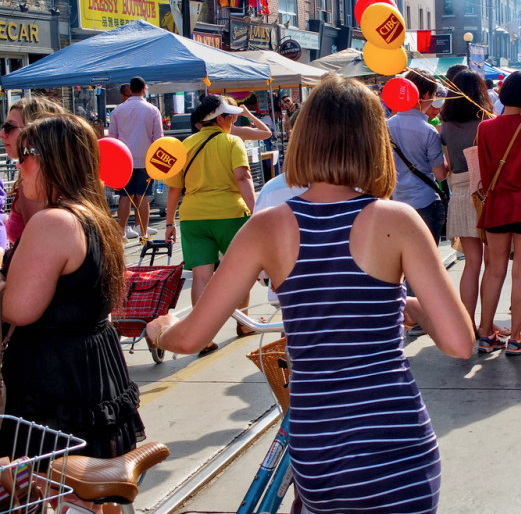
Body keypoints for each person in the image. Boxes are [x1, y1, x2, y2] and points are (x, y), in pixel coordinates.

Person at [146, 74, 473, 514]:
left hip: (320, 448)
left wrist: (161, 327)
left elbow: (189, 337)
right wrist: (408, 306)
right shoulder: (399, 221)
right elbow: (459, 342)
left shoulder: (265, 227)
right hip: (397, 445)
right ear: (374, 142)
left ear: (304, 140)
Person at [0, 115, 144, 462]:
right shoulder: (92, 215)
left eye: (24, 156)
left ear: (49, 159)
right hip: (91, 371)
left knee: (55, 486)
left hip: (55, 380)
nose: (18, 166)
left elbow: (20, 309)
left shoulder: (54, 221)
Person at [165, 94, 256, 353]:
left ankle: (203, 336)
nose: (234, 120)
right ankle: (244, 323)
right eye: (231, 116)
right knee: (243, 270)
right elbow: (242, 176)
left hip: (193, 217)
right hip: (230, 214)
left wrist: (170, 223)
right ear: (220, 119)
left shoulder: (183, 145)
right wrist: (256, 210)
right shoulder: (231, 142)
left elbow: (174, 189)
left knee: (201, 276)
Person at [475, 71, 521, 355]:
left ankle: (485, 334)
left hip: (497, 206)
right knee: (520, 274)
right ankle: (517, 339)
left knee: (494, 271)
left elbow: (483, 170)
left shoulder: (485, 128)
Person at [440, 70, 494, 334]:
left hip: (460, 195)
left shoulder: (445, 127)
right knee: (492, 267)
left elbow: (448, 165)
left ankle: (467, 324)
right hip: (485, 195)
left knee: (471, 264)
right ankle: (487, 324)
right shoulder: (486, 120)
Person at [387, 69, 448, 244]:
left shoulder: (385, 126)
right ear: (427, 94)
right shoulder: (428, 131)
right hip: (425, 202)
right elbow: (440, 175)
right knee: (426, 264)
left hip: (396, 202)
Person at [0, 97, 68, 250]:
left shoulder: (37, 183)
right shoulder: (45, 176)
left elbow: (41, 247)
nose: (2, 133)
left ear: (37, 129)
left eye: (9, 127)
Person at [109, 76, 163, 240]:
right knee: (143, 196)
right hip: (145, 159)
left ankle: (122, 232)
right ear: (144, 89)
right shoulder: (152, 110)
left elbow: (113, 136)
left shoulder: (117, 110)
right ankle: (144, 232)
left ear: (130, 90)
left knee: (125, 196)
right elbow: (158, 138)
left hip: (124, 159)